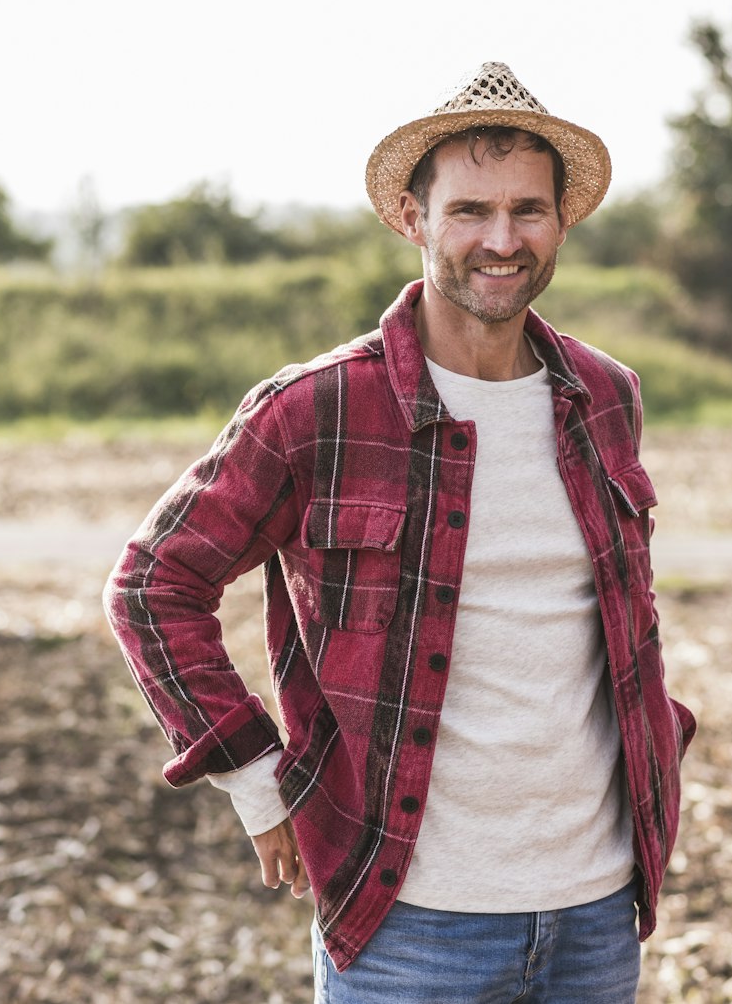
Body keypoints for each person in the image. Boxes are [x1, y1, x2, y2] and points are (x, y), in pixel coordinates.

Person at [103, 63, 695, 1002]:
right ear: (412, 219)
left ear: (562, 221)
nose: (501, 240)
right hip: (408, 922)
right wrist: (258, 784)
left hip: (596, 909)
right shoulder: (317, 409)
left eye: (527, 210)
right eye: (469, 210)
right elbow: (151, 586)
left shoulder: (605, 395)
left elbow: (618, 620)